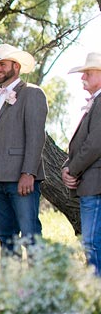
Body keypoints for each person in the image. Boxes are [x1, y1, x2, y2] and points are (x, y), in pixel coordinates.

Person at [0, 44, 48, 256]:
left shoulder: (32, 94)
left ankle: (39, 286)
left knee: (30, 235)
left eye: (2, 64)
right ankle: (11, 287)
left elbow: (36, 137)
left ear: (16, 67)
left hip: (21, 179)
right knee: (5, 236)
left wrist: (29, 173)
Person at [61, 52, 101, 275]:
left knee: (93, 243)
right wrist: (66, 167)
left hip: (95, 185)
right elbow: (83, 144)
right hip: (90, 184)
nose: (82, 77)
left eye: (88, 73)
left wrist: (72, 170)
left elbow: (95, 144)